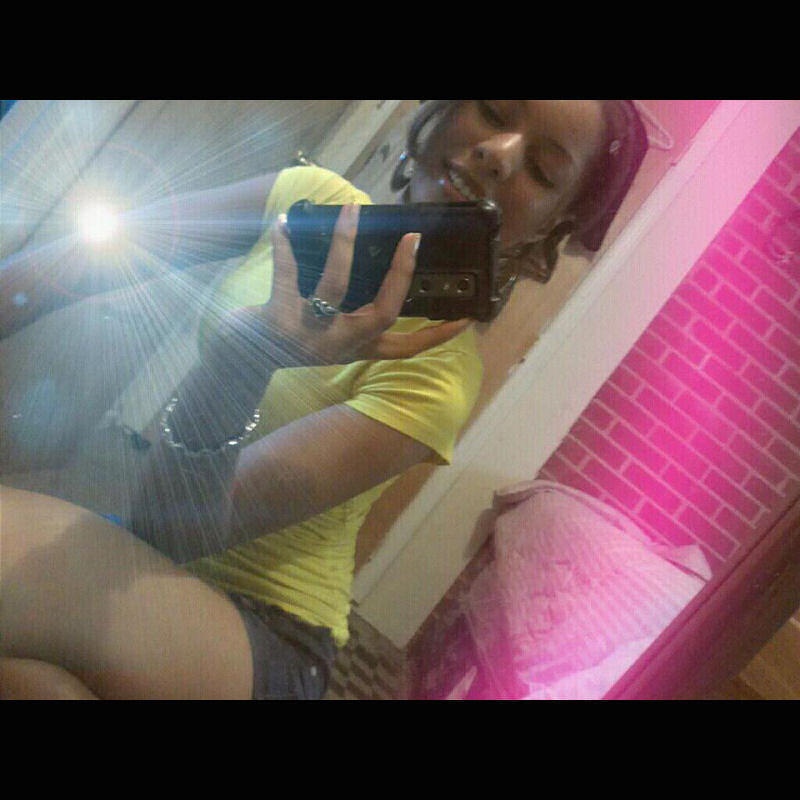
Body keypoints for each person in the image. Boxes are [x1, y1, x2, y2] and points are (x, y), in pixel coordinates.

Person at [0, 100, 648, 700]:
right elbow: (70, 263)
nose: (498, 152)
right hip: (150, 561)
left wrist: (243, 360)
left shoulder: (439, 371)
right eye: (494, 109)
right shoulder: (307, 200)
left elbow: (176, 526)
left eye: (542, 169)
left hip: (264, 630)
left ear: (551, 224)